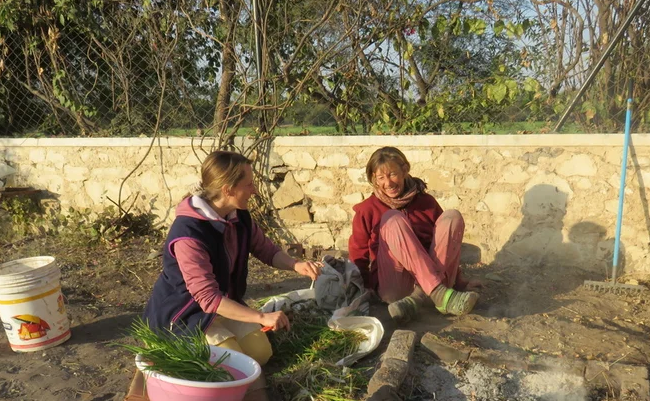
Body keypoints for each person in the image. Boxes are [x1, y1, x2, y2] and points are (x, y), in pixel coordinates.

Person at [144, 150, 322, 365]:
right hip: (185, 315)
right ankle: (169, 346)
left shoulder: (239, 217)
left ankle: (218, 340)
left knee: (260, 353)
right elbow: (207, 298)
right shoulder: (189, 234)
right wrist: (261, 317)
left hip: (221, 306)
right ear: (228, 190)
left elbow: (266, 250)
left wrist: (297, 265)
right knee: (230, 362)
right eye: (248, 185)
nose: (254, 190)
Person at [348, 146, 483, 324]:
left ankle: (419, 298)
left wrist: (459, 282)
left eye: (393, 174)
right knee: (392, 219)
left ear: (405, 170)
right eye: (381, 177)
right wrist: (366, 287)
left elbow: (445, 244)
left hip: (438, 278)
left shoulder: (426, 202)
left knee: (452, 217)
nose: (388, 183)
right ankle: (436, 294)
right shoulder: (367, 209)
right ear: (374, 179)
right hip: (396, 286)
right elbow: (358, 254)